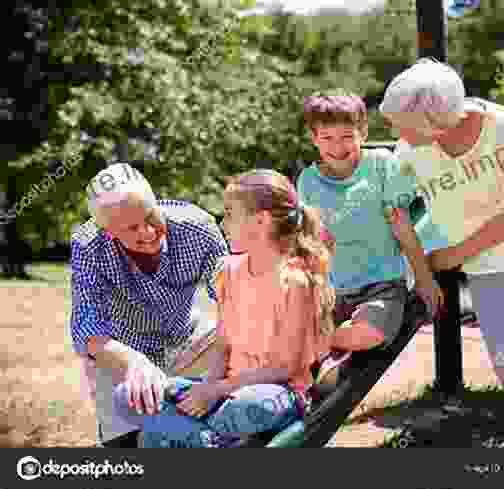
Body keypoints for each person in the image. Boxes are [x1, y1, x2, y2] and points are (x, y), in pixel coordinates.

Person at [379, 58, 504, 448]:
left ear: (432, 122)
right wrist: (421, 270)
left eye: (400, 122)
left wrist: (451, 257)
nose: (393, 131)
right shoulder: (410, 149)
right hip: (484, 258)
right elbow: (393, 211)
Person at [112, 169, 334, 447]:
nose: (222, 222)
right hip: (222, 390)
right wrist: (207, 387)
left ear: (260, 221)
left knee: (249, 407)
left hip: (275, 393)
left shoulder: (294, 280)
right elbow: (222, 345)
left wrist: (216, 391)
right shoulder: (230, 271)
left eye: (230, 214)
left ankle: (185, 433)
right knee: (127, 396)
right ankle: (207, 441)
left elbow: (285, 367)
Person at [69, 163, 230, 447]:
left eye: (150, 216)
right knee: (126, 444)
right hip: (121, 351)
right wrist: (134, 363)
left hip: (190, 340)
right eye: (131, 228)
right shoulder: (88, 244)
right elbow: (87, 324)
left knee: (214, 422)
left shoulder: (198, 226)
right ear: (109, 232)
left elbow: (235, 302)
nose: (147, 232)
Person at [298, 90, 443, 383]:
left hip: (381, 286)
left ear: (363, 132)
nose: (338, 147)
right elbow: (313, 242)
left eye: (347, 136)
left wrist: (424, 279)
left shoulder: (381, 165)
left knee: (370, 332)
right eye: (327, 138)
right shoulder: (308, 182)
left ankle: (325, 346)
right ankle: (319, 358)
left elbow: (402, 226)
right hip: (333, 292)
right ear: (313, 138)